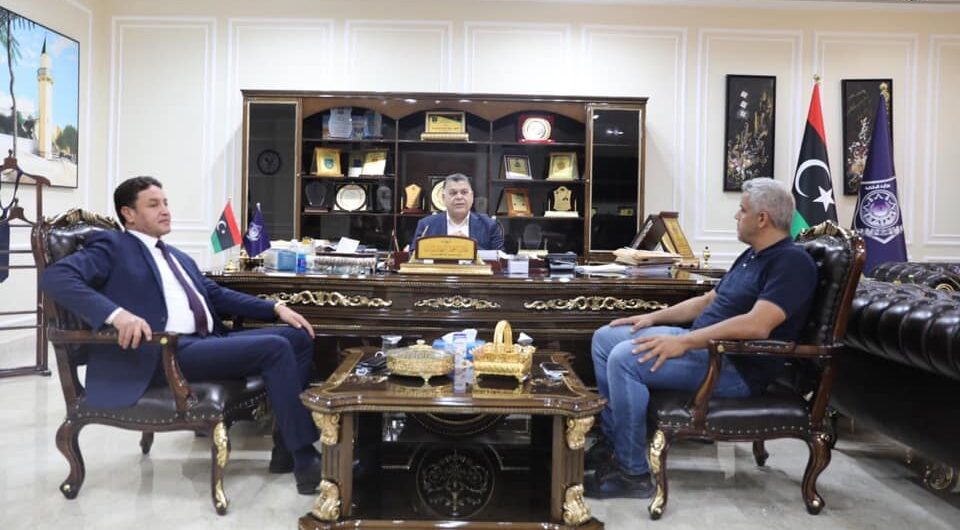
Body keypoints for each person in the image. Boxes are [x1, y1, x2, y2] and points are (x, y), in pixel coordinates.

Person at [40, 176, 323, 495]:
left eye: (165, 203)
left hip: (203, 343)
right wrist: (116, 315)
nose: (165, 210)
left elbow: (215, 294)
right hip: (160, 353)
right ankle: (305, 459)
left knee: (298, 337)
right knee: (274, 347)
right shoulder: (113, 246)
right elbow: (57, 276)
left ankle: (286, 447)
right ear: (128, 214)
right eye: (153, 204)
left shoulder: (175, 255)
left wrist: (275, 308)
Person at [585, 177, 817, 499]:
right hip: (704, 347)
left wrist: (683, 343)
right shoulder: (752, 256)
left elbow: (757, 326)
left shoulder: (792, 262)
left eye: (742, 210)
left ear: (762, 218)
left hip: (733, 367)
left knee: (625, 359)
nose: (736, 215)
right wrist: (652, 318)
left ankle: (632, 473)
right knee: (605, 338)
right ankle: (614, 445)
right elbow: (708, 301)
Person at [410, 173, 504, 251]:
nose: (459, 197)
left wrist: (469, 246)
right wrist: (445, 245)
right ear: (443, 198)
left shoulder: (489, 225)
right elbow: (414, 256)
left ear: (472, 196)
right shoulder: (427, 225)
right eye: (453, 193)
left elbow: (499, 259)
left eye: (464, 192)